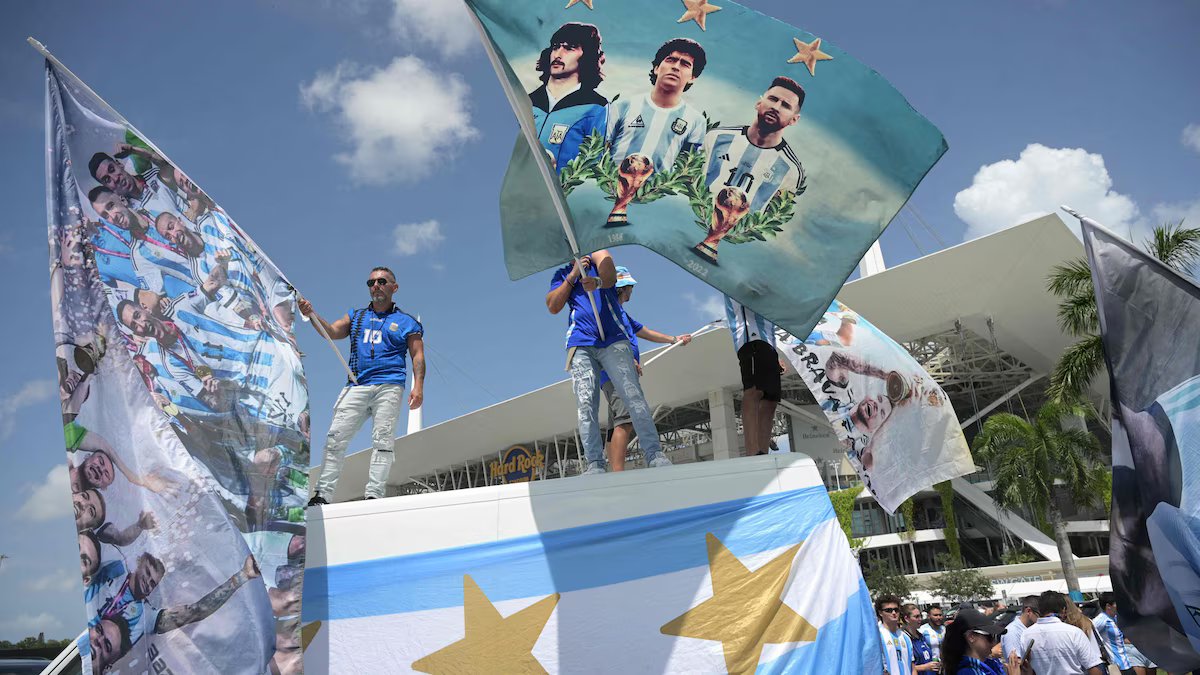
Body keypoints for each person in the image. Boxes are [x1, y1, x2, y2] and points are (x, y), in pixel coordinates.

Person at [304, 266, 425, 503]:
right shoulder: (356, 316)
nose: (376, 286)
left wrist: (418, 386)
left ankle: (374, 495)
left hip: (389, 385)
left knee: (383, 440)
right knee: (335, 438)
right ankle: (322, 494)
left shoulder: (407, 322)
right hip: (356, 384)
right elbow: (332, 331)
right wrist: (312, 315)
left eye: (382, 281)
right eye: (371, 283)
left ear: (394, 287)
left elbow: (417, 356)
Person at [546, 250, 670, 475]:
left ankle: (654, 454)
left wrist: (597, 282)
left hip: (614, 339)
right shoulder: (561, 274)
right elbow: (553, 306)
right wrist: (573, 275)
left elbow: (610, 276)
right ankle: (595, 463)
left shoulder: (599, 259)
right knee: (586, 403)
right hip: (581, 342)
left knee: (633, 396)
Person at [693, 77, 808, 262]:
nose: (776, 107)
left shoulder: (791, 172)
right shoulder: (716, 137)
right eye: (773, 99)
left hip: (737, 257)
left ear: (794, 119)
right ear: (758, 103)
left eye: (786, 105)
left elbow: (775, 219)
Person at [88, 555, 260, 674]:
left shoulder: (145, 616)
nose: (148, 582)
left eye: (153, 583)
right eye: (147, 573)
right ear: (138, 564)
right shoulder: (115, 569)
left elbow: (196, 611)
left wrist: (242, 576)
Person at [600, 266, 692, 471]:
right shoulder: (608, 313)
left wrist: (674, 339)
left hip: (615, 376)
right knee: (625, 421)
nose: (632, 291)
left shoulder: (622, 314)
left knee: (616, 423)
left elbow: (645, 331)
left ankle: (613, 474)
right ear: (623, 288)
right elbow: (608, 342)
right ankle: (617, 475)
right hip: (617, 375)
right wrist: (627, 360)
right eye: (630, 287)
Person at [606, 38, 707, 174]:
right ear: (656, 68)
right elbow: (599, 151)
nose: (676, 67)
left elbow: (687, 171)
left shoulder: (696, 121)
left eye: (685, 64)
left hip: (657, 188)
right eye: (670, 60)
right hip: (611, 185)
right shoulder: (621, 107)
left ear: (693, 77)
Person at [529, 22, 608, 171]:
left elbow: (597, 166)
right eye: (555, 47)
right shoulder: (526, 102)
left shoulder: (597, 108)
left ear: (587, 55)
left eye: (569, 48)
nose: (558, 54)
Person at [724, 296, 783, 456]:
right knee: (754, 391)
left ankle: (763, 453)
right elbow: (749, 290)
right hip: (749, 336)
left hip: (768, 341)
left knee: (771, 400)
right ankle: (752, 453)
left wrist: (776, 356)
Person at [1019, 590, 1104, 675]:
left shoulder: (1026, 635)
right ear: (1063, 610)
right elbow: (1093, 667)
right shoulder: (1073, 633)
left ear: (1040, 610)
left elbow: (1025, 668)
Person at [940, 608, 1020, 675]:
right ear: (971, 636)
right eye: (989, 637)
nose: (994, 643)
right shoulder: (969, 672)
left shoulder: (989, 664)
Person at [876, 595, 914, 675]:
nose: (893, 613)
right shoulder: (877, 636)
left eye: (896, 610)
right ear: (880, 613)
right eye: (888, 610)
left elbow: (912, 667)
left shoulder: (905, 637)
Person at [1000, 595, 1039, 659]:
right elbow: (1016, 662)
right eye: (1040, 614)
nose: (1042, 617)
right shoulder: (1012, 632)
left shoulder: (1031, 629)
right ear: (1028, 611)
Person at [902, 603, 939, 672]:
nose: (920, 619)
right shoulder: (904, 639)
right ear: (906, 619)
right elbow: (904, 667)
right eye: (916, 617)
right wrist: (924, 667)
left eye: (920, 616)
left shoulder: (921, 636)